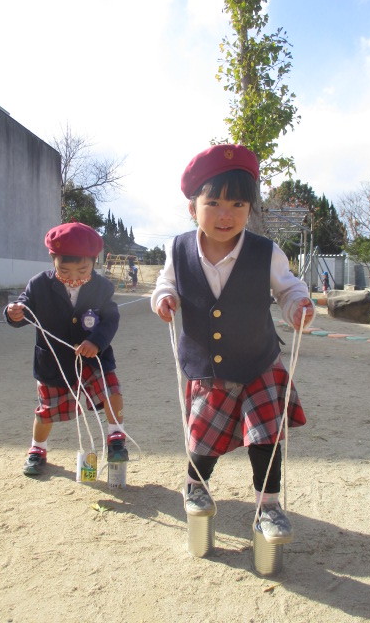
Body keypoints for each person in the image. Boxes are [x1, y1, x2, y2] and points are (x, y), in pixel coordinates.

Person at [151, 144, 315, 544]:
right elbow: (165, 283)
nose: (226, 215)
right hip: (208, 367)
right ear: (193, 208)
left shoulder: (266, 252)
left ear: (249, 210)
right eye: (214, 203)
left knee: (266, 439)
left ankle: (269, 505)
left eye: (238, 204)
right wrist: (164, 298)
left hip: (260, 362)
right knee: (204, 440)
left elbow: (290, 288)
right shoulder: (178, 249)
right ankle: (194, 484)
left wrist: (299, 306)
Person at [4, 222, 129, 476]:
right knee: (47, 411)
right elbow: (24, 308)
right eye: (64, 269)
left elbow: (110, 318)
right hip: (54, 362)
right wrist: (14, 313)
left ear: (95, 261)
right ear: (52, 259)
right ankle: (37, 449)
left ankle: (116, 437)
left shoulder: (102, 287)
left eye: (82, 269)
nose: (73, 277)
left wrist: (96, 341)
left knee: (111, 390)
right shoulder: (39, 284)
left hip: (94, 358)